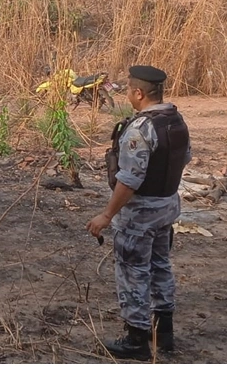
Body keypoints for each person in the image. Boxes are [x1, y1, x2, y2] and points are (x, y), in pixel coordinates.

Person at [86, 65, 192, 360]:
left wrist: (106, 215)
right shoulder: (177, 121)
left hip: (139, 214)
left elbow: (129, 181)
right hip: (166, 207)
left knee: (133, 272)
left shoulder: (141, 130)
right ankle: (164, 333)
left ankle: (137, 339)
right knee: (160, 266)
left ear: (138, 93)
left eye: (130, 91)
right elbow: (184, 159)